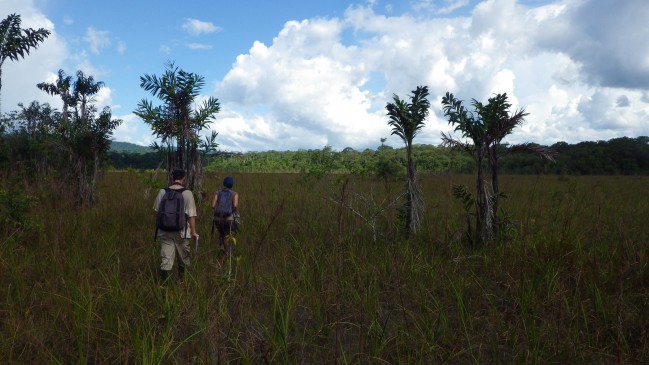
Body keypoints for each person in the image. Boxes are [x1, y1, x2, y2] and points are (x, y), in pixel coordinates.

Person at [153, 168, 198, 283]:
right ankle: (182, 281)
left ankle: (165, 288)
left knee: (166, 259)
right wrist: (193, 232)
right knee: (184, 258)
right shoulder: (187, 193)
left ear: (172, 177)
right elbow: (191, 216)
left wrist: (163, 224)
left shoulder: (162, 191)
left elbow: (156, 212)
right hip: (182, 232)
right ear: (184, 178)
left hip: (164, 231)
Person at [212, 176, 239, 258]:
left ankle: (221, 250)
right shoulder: (234, 194)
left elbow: (213, 205)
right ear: (232, 185)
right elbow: (235, 205)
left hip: (217, 219)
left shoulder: (218, 192)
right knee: (229, 236)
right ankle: (228, 255)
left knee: (221, 234)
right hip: (228, 219)